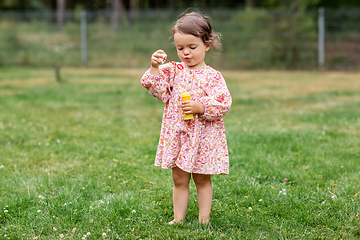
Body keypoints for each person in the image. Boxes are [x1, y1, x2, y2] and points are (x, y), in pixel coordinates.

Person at [141, 11, 232, 224]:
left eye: (192, 47)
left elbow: (223, 103)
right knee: (179, 178)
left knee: (201, 178)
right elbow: (156, 88)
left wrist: (201, 107)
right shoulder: (173, 70)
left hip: (202, 138)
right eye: (180, 48)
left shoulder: (213, 76)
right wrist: (154, 67)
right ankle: (178, 218)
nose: (186, 53)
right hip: (179, 135)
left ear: (206, 45)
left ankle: (204, 218)